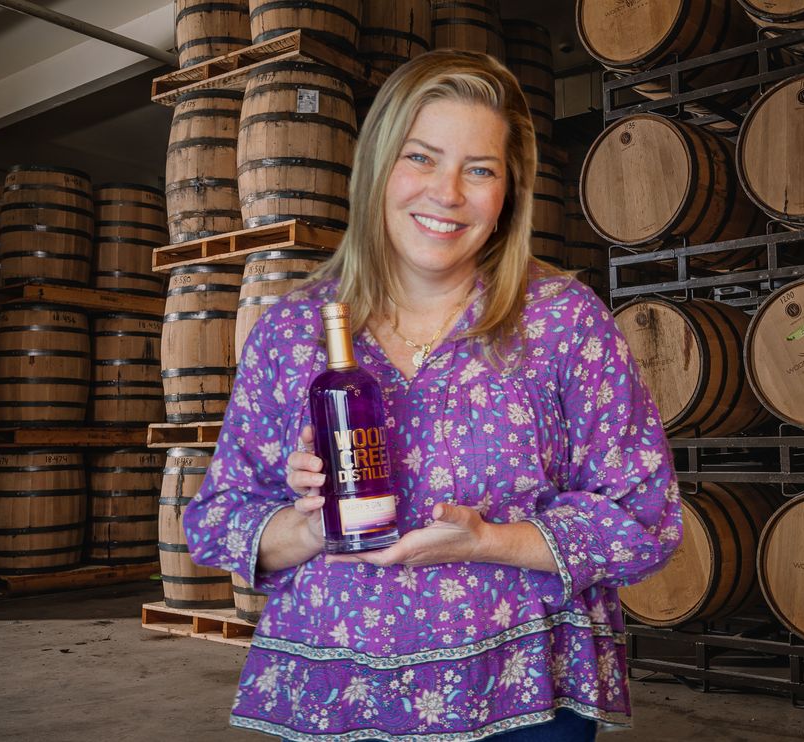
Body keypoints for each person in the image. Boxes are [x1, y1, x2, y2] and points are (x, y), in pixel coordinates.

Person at [184, 50, 682, 741]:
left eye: (479, 170)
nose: (447, 193)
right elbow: (218, 518)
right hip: (337, 695)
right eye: (420, 157)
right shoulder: (293, 331)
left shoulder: (563, 320)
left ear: (509, 193)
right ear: (377, 167)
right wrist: (309, 526)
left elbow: (644, 515)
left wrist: (490, 541)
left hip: (523, 696)